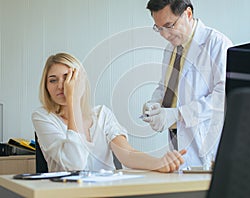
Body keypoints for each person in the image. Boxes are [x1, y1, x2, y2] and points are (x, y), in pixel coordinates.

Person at [32, 52, 186, 173]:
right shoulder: (43, 117)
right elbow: (75, 165)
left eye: (67, 78)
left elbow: (127, 155)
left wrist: (159, 163)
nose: (61, 85)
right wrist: (73, 100)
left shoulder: (101, 114)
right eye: (53, 80)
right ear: (45, 86)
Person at [142, 0, 233, 169]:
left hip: (206, 149)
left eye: (169, 25)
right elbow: (165, 87)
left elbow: (224, 97)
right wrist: (154, 104)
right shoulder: (170, 50)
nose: (164, 34)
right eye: (159, 28)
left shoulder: (217, 44)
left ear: (188, 14)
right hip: (177, 147)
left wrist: (178, 115)